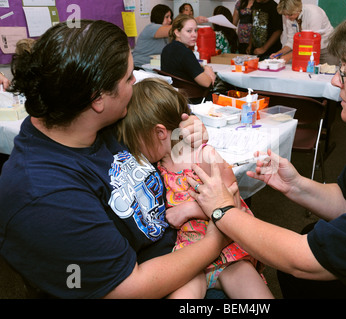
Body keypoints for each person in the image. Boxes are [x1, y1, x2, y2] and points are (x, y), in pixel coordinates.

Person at [187, 0, 346, 299]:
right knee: (308, 237)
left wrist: (223, 211)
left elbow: (305, 260)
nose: (336, 80)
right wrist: (297, 186)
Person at [0, 19, 229, 299]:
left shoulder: (95, 122)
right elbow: (128, 288)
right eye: (129, 77)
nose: (135, 83)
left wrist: (187, 131)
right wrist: (218, 237)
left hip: (181, 250)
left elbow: (164, 150)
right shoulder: (44, 194)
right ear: (97, 98)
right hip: (161, 277)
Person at [117, 77, 273, 299]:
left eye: (136, 140)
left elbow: (234, 204)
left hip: (228, 253)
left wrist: (189, 209)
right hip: (188, 258)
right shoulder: (157, 167)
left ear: (160, 133)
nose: (134, 147)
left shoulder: (204, 156)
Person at [161, 15, 216, 98]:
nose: (194, 35)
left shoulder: (167, 49)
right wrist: (208, 70)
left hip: (173, 97)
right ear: (177, 32)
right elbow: (207, 83)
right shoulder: (185, 53)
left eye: (195, 30)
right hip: (194, 98)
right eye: (189, 31)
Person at [270, 0, 338, 65]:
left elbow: (311, 43)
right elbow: (291, 41)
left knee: (328, 73)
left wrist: (289, 56)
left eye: (290, 14)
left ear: (298, 9)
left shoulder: (314, 14)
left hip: (326, 49)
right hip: (304, 49)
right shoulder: (290, 18)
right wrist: (279, 53)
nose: (287, 17)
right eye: (285, 15)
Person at [132, 4, 173, 69]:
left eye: (170, 17)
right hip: (139, 67)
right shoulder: (151, 28)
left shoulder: (165, 34)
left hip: (153, 67)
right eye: (167, 17)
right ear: (159, 16)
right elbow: (175, 29)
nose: (170, 20)